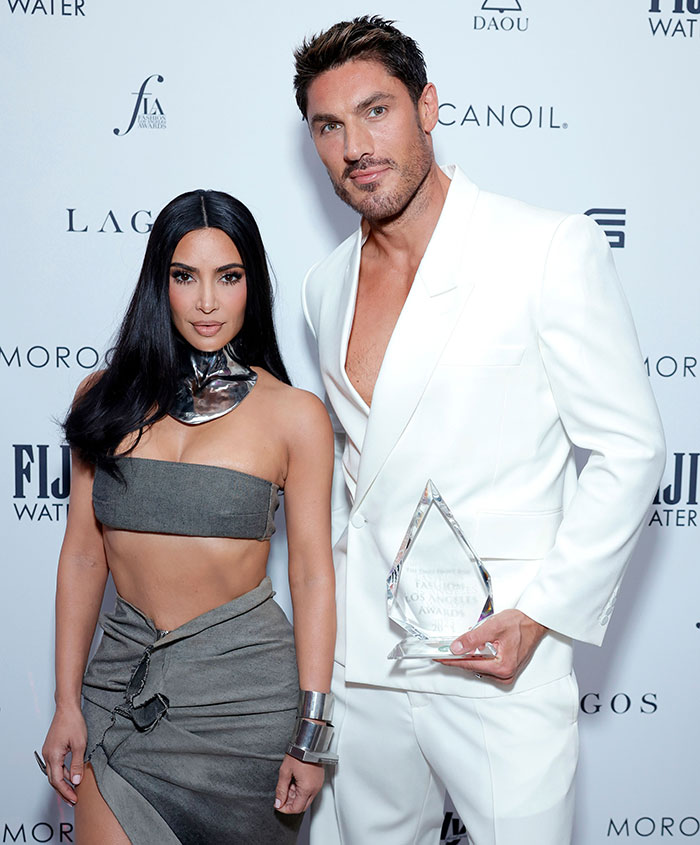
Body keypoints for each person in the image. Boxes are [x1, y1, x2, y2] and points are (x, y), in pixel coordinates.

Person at [293, 15, 665, 845]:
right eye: (329, 125)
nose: (356, 144)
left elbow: (632, 449)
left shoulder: (543, 248)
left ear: (427, 107)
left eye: (376, 110)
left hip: (501, 658)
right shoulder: (324, 286)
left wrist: (538, 614)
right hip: (368, 668)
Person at [39, 190, 336, 845]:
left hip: (246, 705)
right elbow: (85, 556)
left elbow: (314, 575)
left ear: (251, 285)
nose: (207, 300)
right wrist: (66, 700)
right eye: (185, 276)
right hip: (122, 693)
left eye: (228, 277)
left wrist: (312, 732)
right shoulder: (104, 396)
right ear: (160, 282)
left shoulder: (295, 415)